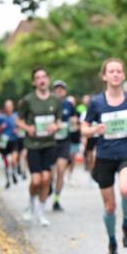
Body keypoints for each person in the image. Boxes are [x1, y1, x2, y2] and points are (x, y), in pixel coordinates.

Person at [82, 58, 127, 254]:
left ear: (124, 75)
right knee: (109, 207)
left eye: (119, 71)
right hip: (104, 157)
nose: (116, 74)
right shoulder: (96, 102)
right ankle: (112, 241)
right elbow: (84, 128)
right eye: (111, 71)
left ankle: (126, 223)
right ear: (104, 76)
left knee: (126, 190)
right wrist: (94, 129)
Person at [15, 67, 62, 227]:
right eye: (38, 78)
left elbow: (59, 121)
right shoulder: (28, 100)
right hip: (33, 144)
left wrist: (55, 127)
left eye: (44, 77)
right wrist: (28, 128)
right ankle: (30, 204)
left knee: (46, 178)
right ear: (34, 82)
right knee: (36, 180)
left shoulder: (55, 100)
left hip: (49, 144)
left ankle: (41, 212)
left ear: (48, 79)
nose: (41, 80)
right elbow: (18, 120)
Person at [50, 80, 75, 212]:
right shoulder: (48, 104)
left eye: (61, 89)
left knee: (61, 170)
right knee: (49, 174)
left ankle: (56, 200)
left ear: (65, 91)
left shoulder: (69, 105)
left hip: (64, 142)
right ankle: (48, 186)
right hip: (50, 142)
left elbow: (75, 120)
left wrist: (73, 122)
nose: (59, 91)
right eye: (56, 89)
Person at [0, 101, 19, 187]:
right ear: (4, 108)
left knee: (14, 159)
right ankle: (8, 179)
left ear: (12, 107)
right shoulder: (1, 117)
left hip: (14, 140)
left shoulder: (16, 116)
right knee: (6, 162)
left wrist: (18, 130)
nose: (8, 108)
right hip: (4, 141)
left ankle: (14, 173)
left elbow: (21, 126)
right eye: (6, 106)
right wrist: (0, 127)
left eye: (9, 106)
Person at [80, 93, 97, 175]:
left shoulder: (101, 109)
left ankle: (96, 171)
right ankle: (91, 172)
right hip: (89, 137)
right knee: (89, 156)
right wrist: (84, 138)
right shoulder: (84, 113)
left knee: (96, 156)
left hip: (99, 137)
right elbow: (82, 126)